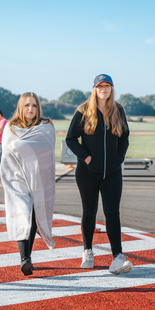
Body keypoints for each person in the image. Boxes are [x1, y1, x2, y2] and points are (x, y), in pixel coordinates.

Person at [65, 74, 133, 275]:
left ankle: (117, 257)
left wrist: (118, 158)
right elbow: (70, 139)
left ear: (111, 88)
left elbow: (125, 138)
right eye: (100, 86)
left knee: (113, 213)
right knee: (89, 211)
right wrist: (85, 157)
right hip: (87, 172)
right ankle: (87, 251)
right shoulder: (84, 110)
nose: (103, 89)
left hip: (112, 172)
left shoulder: (118, 110)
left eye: (107, 86)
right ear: (94, 89)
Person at [1, 92, 56, 276]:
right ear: (21, 107)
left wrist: (23, 147)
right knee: (23, 213)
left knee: (33, 215)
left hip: (38, 176)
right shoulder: (11, 128)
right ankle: (24, 259)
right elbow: (7, 154)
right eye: (27, 105)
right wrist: (23, 148)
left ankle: (28, 256)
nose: (30, 109)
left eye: (33, 105)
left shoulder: (46, 127)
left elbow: (47, 148)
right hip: (16, 178)